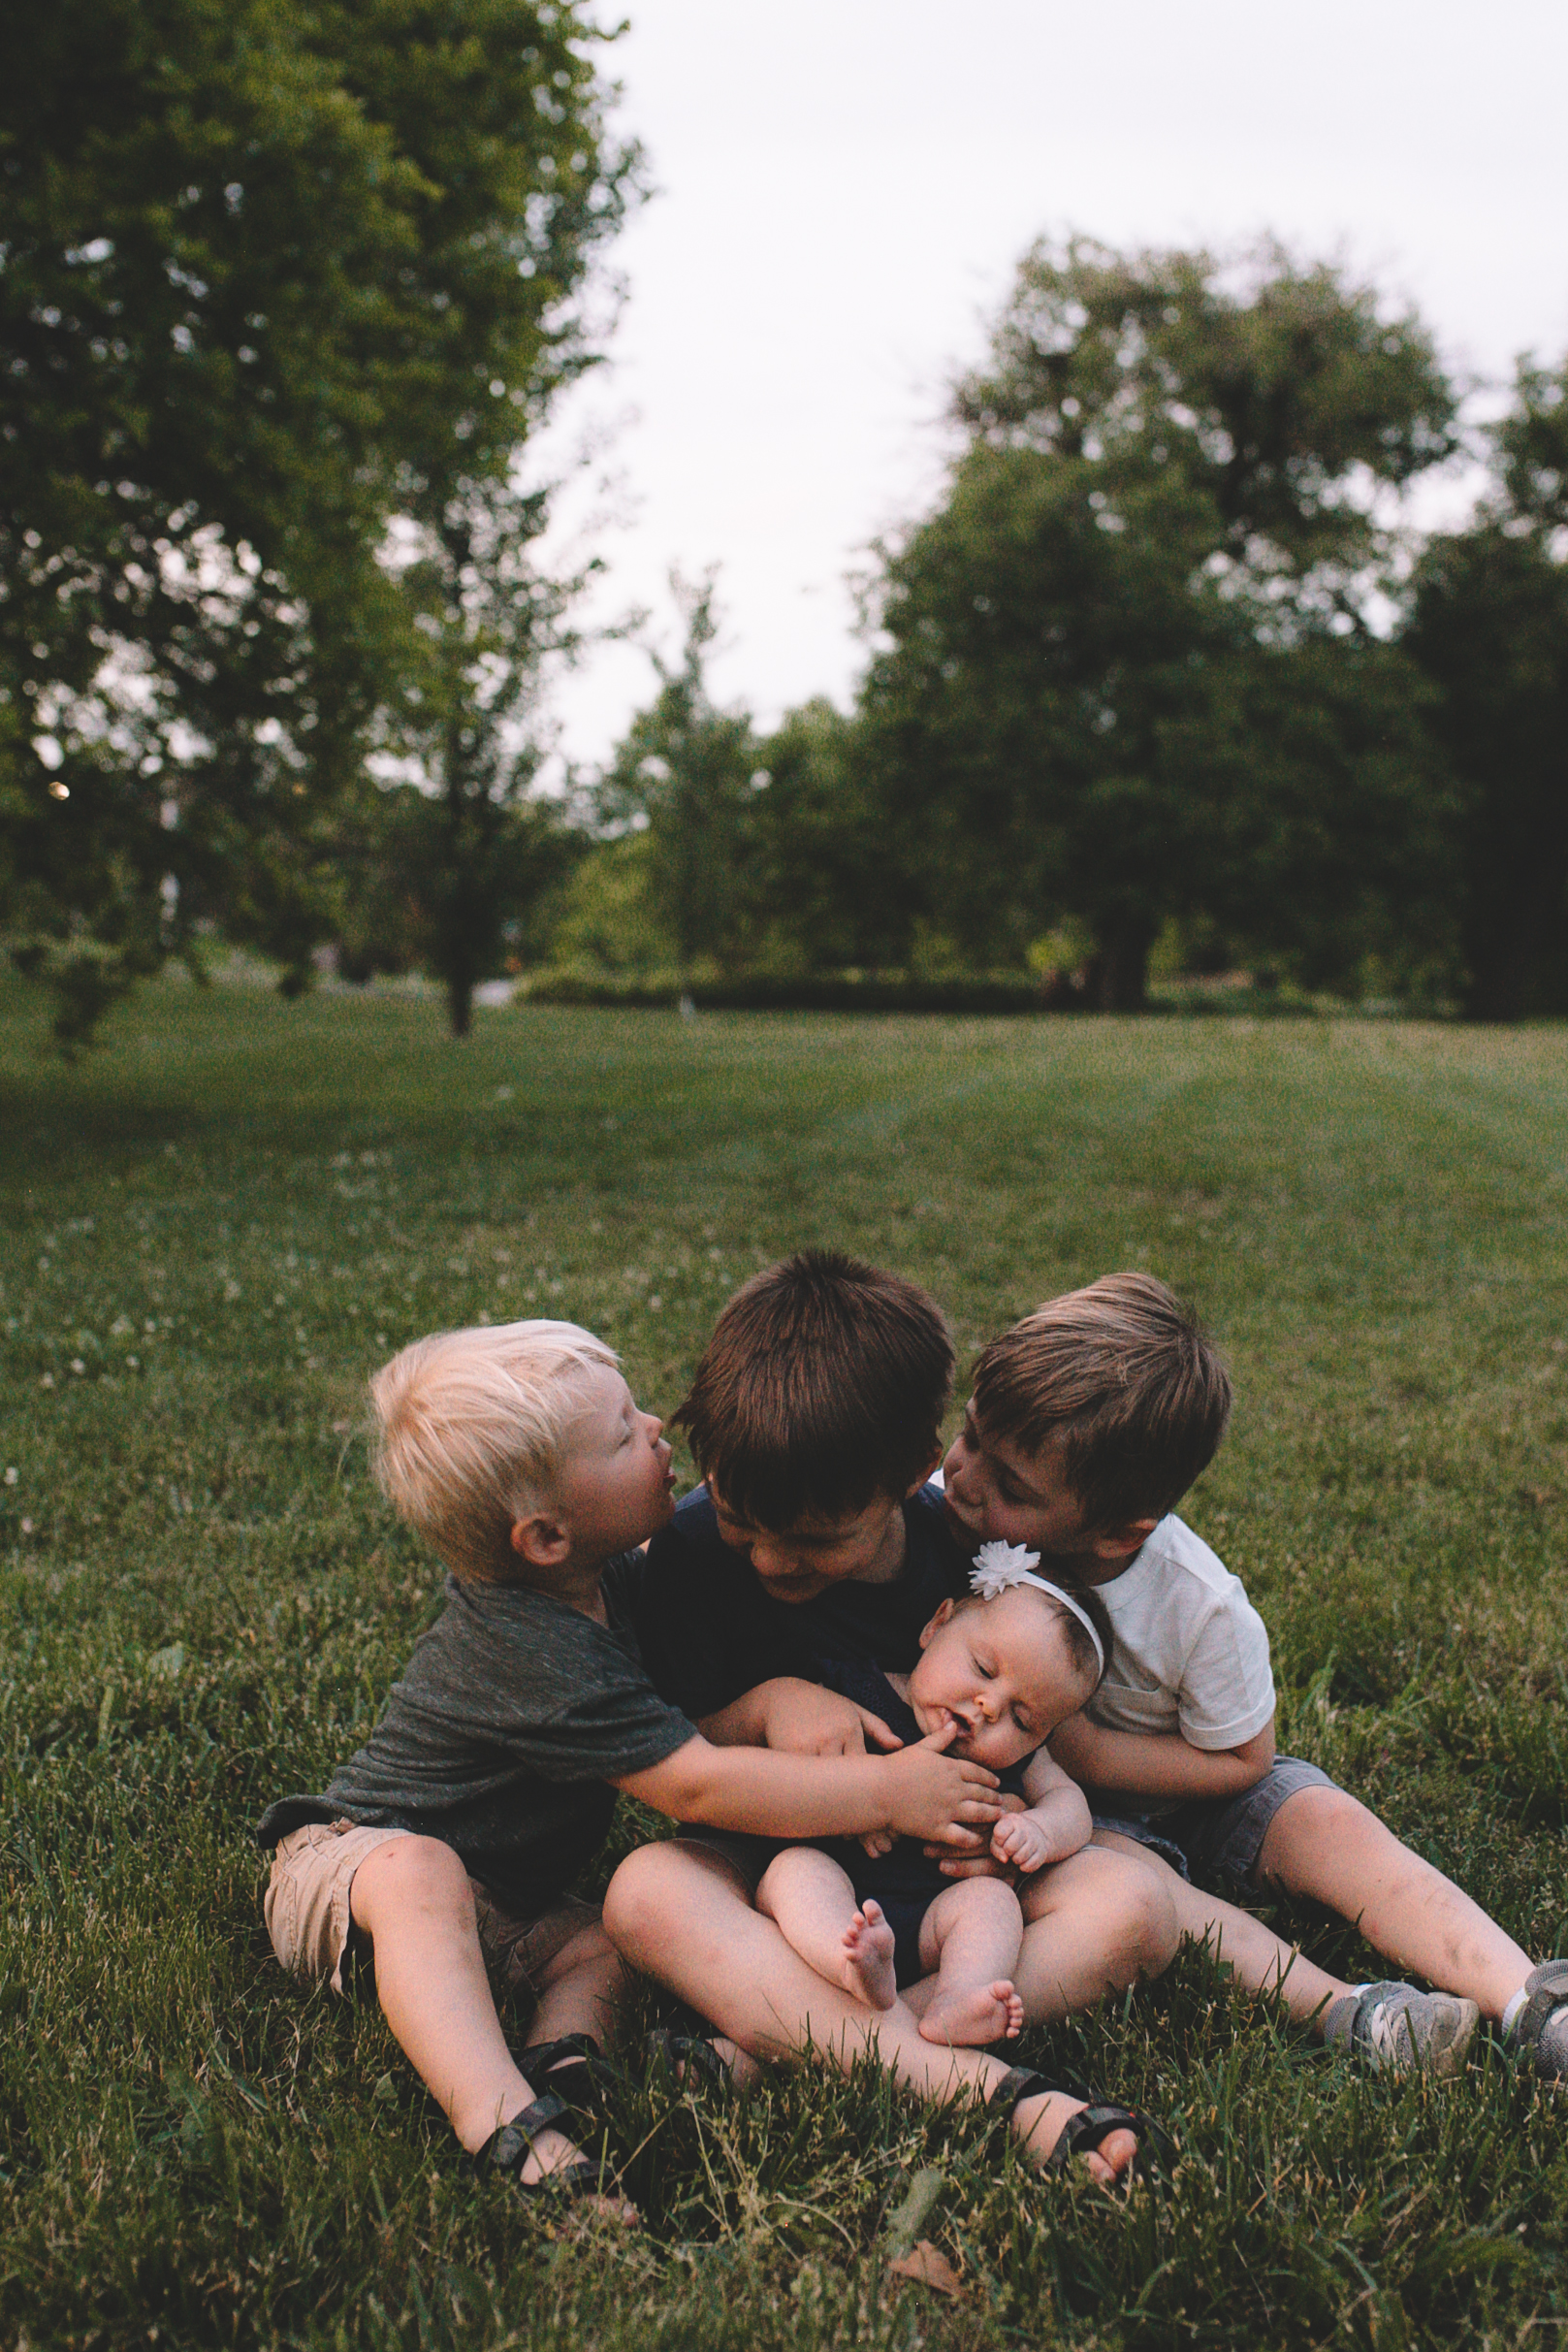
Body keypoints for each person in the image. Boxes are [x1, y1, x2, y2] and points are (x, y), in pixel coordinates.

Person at [256, 1318, 1006, 2210]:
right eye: (621, 1432)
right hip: (350, 1868)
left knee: (611, 1942)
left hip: (512, 1910)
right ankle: (504, 2121)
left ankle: (568, 2068)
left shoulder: (609, 1585)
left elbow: (686, 1719)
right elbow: (692, 1780)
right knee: (423, 1870)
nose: (655, 1427)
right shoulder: (531, 1642)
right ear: (544, 1536)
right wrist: (889, 1788)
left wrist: (768, 1699)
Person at [609, 1253, 1180, 2185]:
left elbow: (1032, 1734)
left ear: (912, 1474)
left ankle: (783, 2044)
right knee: (641, 1891)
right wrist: (765, 1705)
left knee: (1135, 1908)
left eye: (815, 1538)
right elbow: (675, 1749)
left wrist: (1011, 1838)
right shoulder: (687, 1553)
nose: (767, 1559)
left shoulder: (960, 1560)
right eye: (741, 1518)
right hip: (758, 1861)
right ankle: (991, 2093)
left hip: (926, 1898)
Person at [939, 1272, 1568, 2080]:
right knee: (1143, 1880)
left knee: (1325, 1821)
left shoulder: (1195, 1603)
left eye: (1013, 1486)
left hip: (1196, 1787)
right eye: (969, 1433)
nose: (964, 1474)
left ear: (1119, 1529)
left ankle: (1528, 1998)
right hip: (1059, 1825)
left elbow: (1242, 1761)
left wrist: (1092, 1755)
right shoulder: (941, 1527)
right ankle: (1355, 2011)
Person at [758, 1562, 1113, 2048]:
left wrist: (1042, 1830)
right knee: (795, 1870)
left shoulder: (1024, 1761)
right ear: (937, 1624)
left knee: (993, 1902)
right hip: (836, 1887)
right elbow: (790, 1776)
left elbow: (1070, 1803)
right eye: (984, 1670)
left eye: (1023, 1718)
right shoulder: (854, 1695)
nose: (989, 1706)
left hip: (932, 1918)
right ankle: (850, 1962)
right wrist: (853, 1802)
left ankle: (959, 1997)